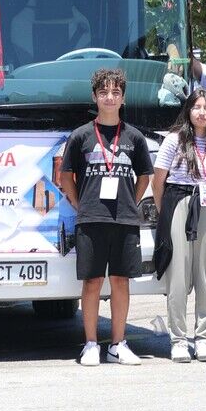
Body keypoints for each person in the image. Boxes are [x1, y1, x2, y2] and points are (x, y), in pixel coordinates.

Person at [58, 68, 154, 368]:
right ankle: (90, 344)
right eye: (103, 92)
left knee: (121, 281)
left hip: (125, 220)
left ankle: (117, 344)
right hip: (91, 219)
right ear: (94, 97)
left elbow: (144, 176)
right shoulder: (81, 136)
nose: (109, 97)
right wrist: (80, 204)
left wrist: (131, 203)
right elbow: (66, 177)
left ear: (123, 98)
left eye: (115, 92)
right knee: (92, 282)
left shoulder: (134, 137)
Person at [153, 88, 206, 363]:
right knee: (178, 273)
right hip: (179, 201)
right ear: (188, 110)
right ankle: (178, 340)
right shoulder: (173, 140)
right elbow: (158, 181)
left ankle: (202, 339)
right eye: (197, 107)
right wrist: (167, 212)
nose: (202, 113)